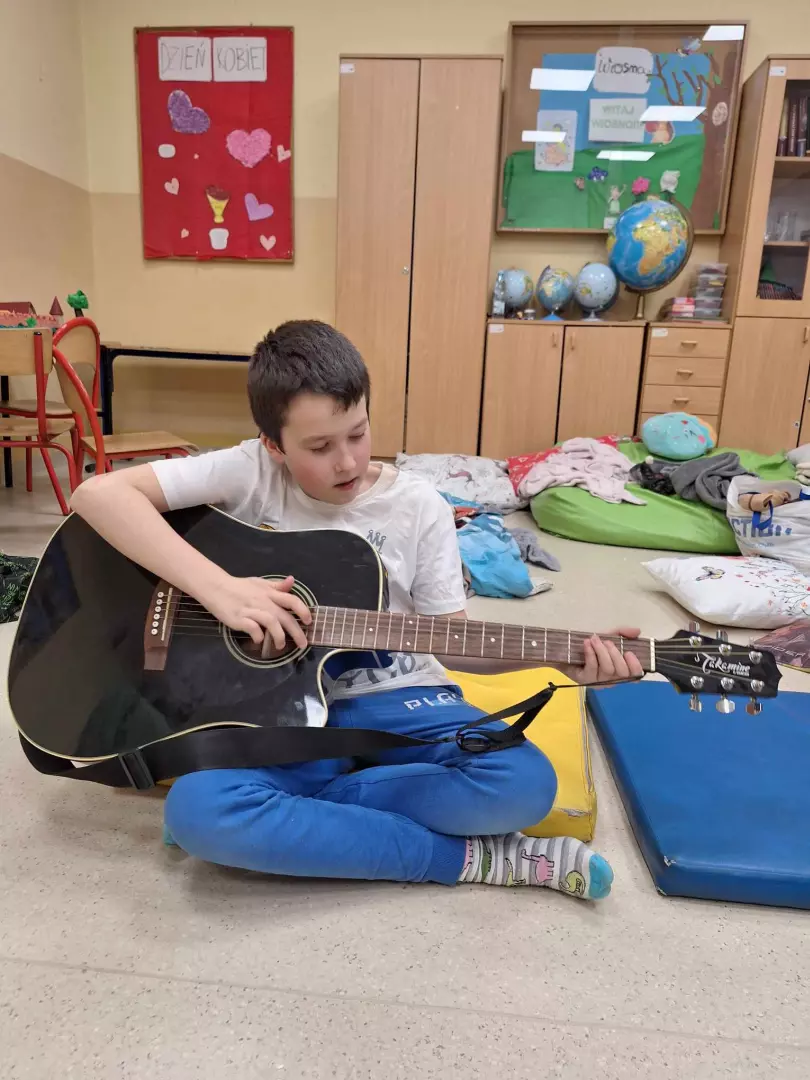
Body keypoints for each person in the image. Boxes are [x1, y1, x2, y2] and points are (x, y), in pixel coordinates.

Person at [70, 320, 643, 899]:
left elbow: (453, 643)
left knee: (523, 783)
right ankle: (471, 858)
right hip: (278, 712)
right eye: (319, 447)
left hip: (401, 700)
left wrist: (559, 659)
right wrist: (221, 590)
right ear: (273, 444)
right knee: (198, 812)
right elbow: (97, 494)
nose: (346, 461)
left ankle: (307, 821)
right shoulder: (248, 471)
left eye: (358, 433)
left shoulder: (418, 505)